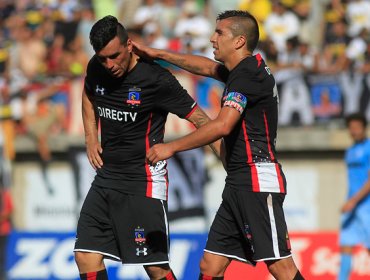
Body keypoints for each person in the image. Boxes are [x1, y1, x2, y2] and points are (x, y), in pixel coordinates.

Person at [133, 10, 304, 280]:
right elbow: (205, 67)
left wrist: (171, 147)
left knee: (280, 266)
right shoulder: (244, 70)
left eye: (219, 33)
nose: (212, 39)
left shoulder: (246, 76)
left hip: (256, 179)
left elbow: (223, 125)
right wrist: (159, 54)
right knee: (210, 266)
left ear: (238, 41)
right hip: (239, 180)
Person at [73, 15, 221, 280]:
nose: (109, 64)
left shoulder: (156, 80)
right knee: (85, 255)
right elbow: (88, 94)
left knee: (154, 267)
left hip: (143, 181)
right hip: (106, 177)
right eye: (102, 58)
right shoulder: (97, 67)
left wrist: (227, 159)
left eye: (114, 56)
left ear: (129, 45)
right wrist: (90, 137)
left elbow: (201, 120)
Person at [338, 112, 370, 280]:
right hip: (352, 206)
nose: (354, 130)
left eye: (357, 127)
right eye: (351, 128)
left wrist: (353, 201)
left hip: (366, 206)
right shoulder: (350, 151)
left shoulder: (369, 148)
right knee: (345, 246)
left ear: (364, 128)